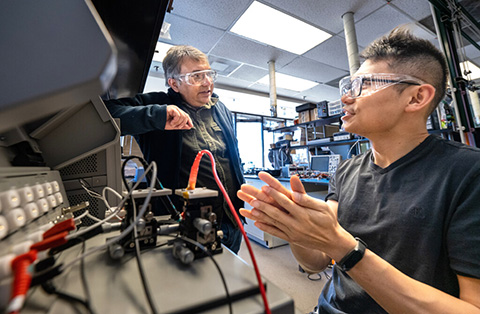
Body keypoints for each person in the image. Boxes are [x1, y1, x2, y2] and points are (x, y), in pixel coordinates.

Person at [237, 28, 480, 313]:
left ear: (416, 98)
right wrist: (295, 229)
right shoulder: (347, 171)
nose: (346, 99)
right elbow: (315, 261)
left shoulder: (468, 173)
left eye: (362, 86)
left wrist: (346, 250)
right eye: (347, 88)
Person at [105, 45, 245, 253]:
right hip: (184, 224)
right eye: (196, 76)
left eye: (208, 73)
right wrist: (157, 116)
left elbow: (233, 159)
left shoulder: (221, 109)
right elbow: (107, 113)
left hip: (232, 221)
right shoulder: (158, 105)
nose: (207, 82)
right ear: (174, 84)